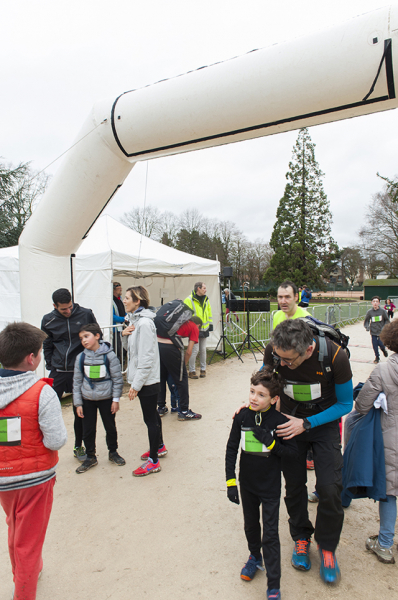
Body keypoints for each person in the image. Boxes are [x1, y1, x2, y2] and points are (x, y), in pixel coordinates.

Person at [262, 319, 353, 585]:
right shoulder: (275, 351)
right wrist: (251, 408)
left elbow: (346, 403)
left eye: (289, 361)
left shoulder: (335, 356)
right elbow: (265, 382)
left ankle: (327, 547)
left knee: (330, 487)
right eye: (280, 358)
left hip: (322, 424)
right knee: (294, 485)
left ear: (309, 350)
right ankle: (301, 537)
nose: (283, 364)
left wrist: (308, 423)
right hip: (290, 421)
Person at [0, 322, 67, 600]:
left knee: (16, 527)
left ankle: (27, 572)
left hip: (4, 480)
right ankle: (24, 591)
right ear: (32, 358)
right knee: (29, 541)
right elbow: (55, 440)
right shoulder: (42, 392)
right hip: (35, 481)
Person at [226, 369, 296, 600]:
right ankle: (254, 557)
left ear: (274, 399)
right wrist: (231, 483)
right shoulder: (242, 416)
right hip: (246, 485)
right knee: (250, 526)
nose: (254, 398)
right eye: (252, 391)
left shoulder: (280, 421)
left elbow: (292, 456)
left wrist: (272, 443)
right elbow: (231, 449)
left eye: (261, 395)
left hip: (269, 488)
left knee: (271, 535)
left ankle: (273, 584)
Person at [355, 319, 398, 564]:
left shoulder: (383, 369)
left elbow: (361, 404)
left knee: (389, 492)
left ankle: (384, 543)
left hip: (391, 437)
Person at [41, 288, 97, 462]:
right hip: (58, 372)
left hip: (80, 371)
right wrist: (51, 364)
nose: (68, 311)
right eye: (63, 309)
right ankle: (43, 446)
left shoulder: (86, 314)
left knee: (80, 411)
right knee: (45, 409)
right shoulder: (48, 320)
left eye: (70, 307)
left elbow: (96, 339)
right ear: (54, 306)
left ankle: (79, 446)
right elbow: (47, 344)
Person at [122, 286, 166, 476]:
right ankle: (160, 446)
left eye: (127, 298)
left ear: (137, 301)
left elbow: (146, 358)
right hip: (144, 378)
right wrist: (124, 335)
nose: (123, 301)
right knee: (153, 416)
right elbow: (131, 351)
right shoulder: (135, 322)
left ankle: (153, 461)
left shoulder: (145, 324)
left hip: (148, 381)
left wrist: (136, 384)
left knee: (150, 420)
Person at [73, 323, 125, 474]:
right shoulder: (80, 357)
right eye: (81, 338)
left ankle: (113, 452)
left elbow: (117, 379)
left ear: (97, 336)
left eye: (86, 336)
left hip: (106, 398)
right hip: (87, 399)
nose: (83, 340)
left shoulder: (110, 356)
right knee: (88, 429)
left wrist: (115, 399)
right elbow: (76, 381)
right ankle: (90, 456)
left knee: (110, 427)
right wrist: (78, 403)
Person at [157, 316, 202, 420]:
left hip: (158, 344)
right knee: (182, 379)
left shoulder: (178, 321)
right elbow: (189, 351)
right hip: (170, 347)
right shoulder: (194, 327)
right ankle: (184, 411)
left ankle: (161, 407)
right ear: (198, 325)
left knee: (161, 377)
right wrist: (182, 366)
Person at [184, 282, 213, 379]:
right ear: (198, 289)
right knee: (194, 350)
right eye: (204, 288)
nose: (206, 290)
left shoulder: (206, 299)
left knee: (203, 350)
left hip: (204, 329)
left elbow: (209, 312)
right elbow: (185, 315)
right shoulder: (189, 300)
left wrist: (210, 324)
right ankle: (191, 371)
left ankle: (203, 369)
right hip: (194, 330)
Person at [364, 296, 389, 363]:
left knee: (381, 344)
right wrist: (367, 327)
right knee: (375, 344)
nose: (375, 303)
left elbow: (387, 320)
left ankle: (383, 350)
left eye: (377, 301)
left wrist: (384, 327)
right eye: (374, 301)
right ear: (371, 303)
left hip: (381, 331)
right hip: (373, 331)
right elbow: (366, 321)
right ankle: (377, 357)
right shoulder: (369, 312)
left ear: (379, 303)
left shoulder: (383, 311)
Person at [112, 281, 126, 361]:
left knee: (122, 347)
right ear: (114, 290)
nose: (121, 290)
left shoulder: (119, 299)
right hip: (115, 329)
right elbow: (112, 316)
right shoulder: (111, 301)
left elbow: (122, 312)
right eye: (119, 288)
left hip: (121, 328)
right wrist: (124, 319)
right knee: (117, 348)